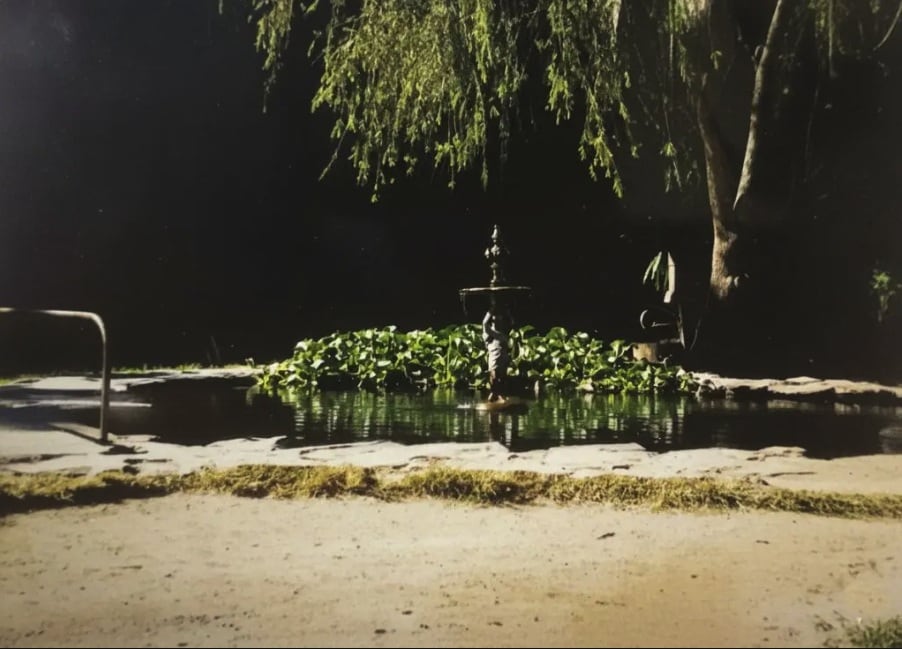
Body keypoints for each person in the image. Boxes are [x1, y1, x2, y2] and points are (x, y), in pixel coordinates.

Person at [482, 297, 512, 402]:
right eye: (497, 321)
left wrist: (507, 312)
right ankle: (495, 393)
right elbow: (485, 324)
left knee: (502, 374)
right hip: (495, 353)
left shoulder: (502, 333)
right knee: (494, 373)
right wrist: (490, 311)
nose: (500, 322)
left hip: (502, 354)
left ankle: (498, 394)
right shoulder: (492, 333)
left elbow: (512, 323)